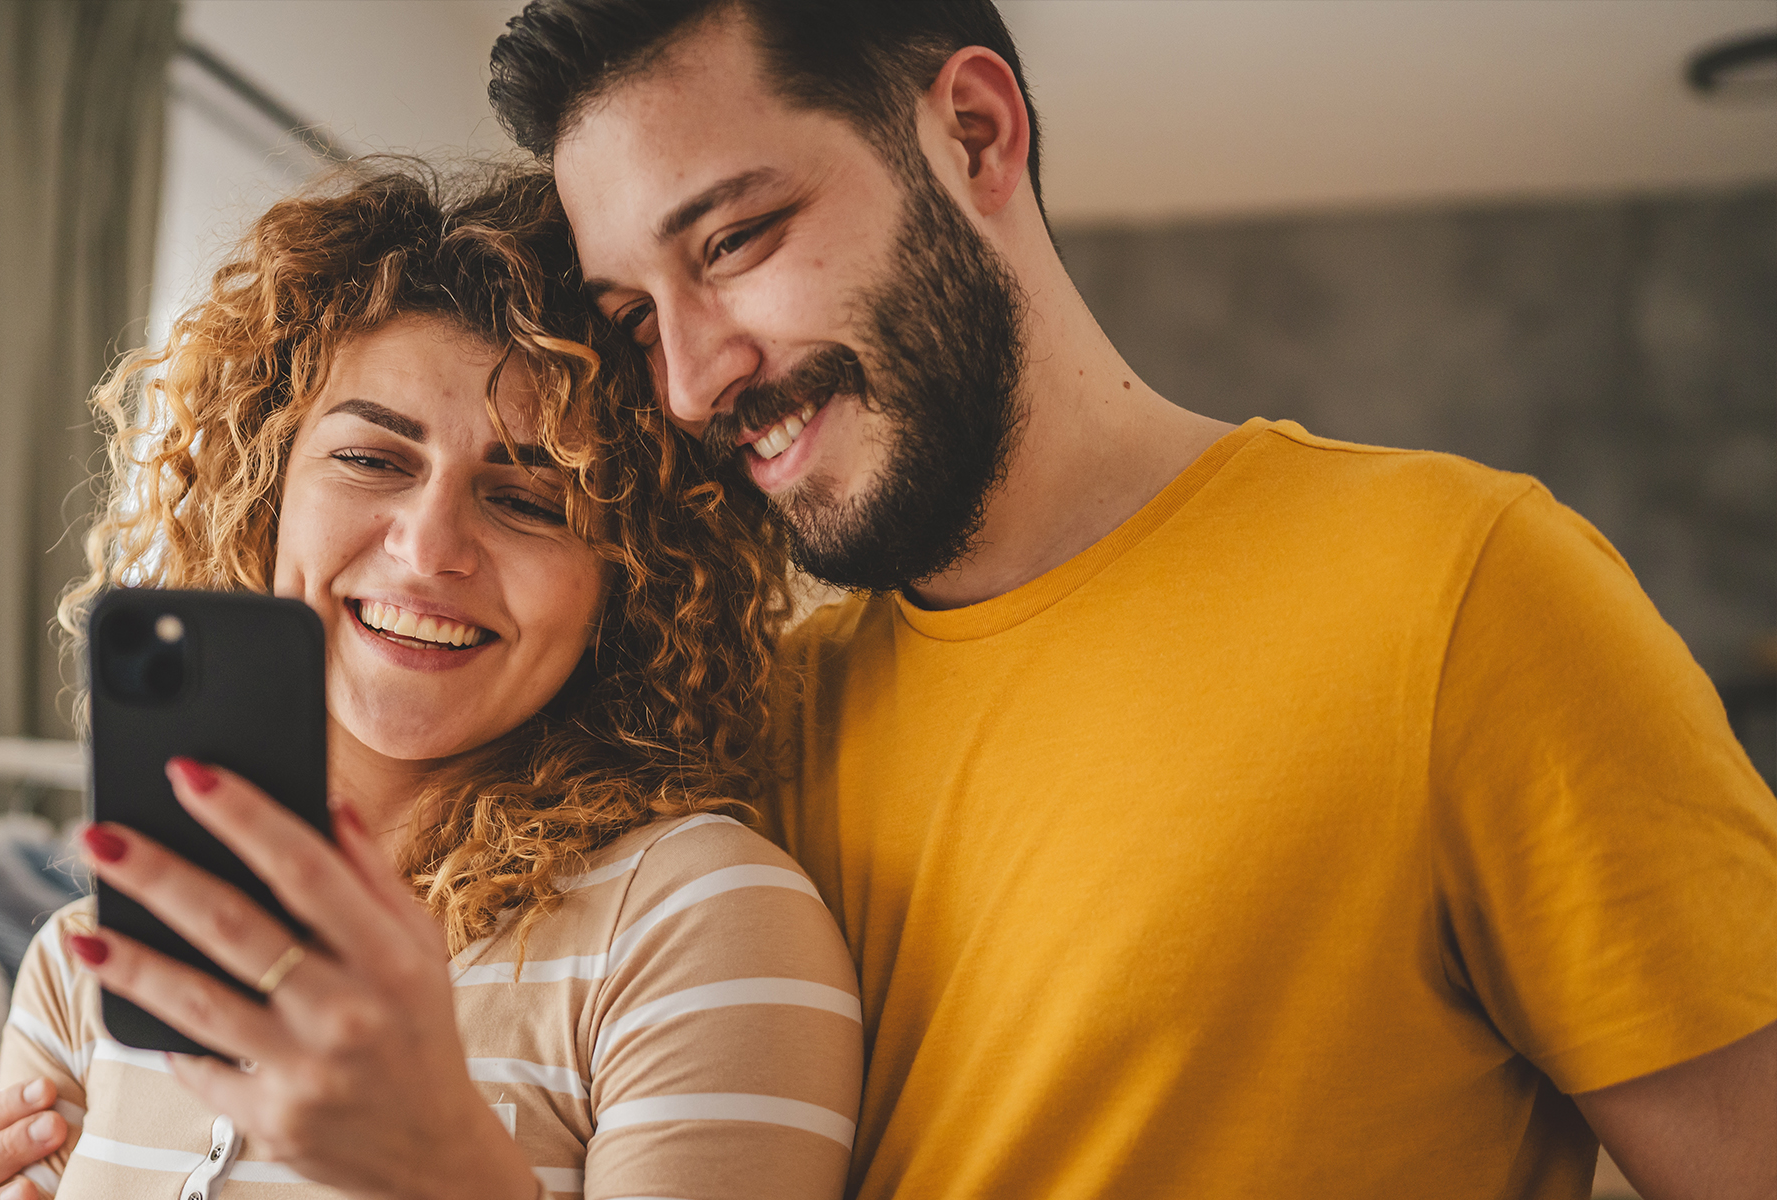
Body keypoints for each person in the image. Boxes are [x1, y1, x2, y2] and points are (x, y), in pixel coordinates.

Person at [487, 2, 1777, 1198]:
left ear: (975, 134)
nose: (694, 381)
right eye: (637, 318)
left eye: (732, 240)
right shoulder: (748, 729)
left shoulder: (1464, 589)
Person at [0, 165, 861, 1200]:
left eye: (530, 495)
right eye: (372, 459)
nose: (430, 547)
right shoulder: (91, 969)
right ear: (263, 491)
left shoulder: (695, 923)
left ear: (631, 570)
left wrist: (443, 1162)